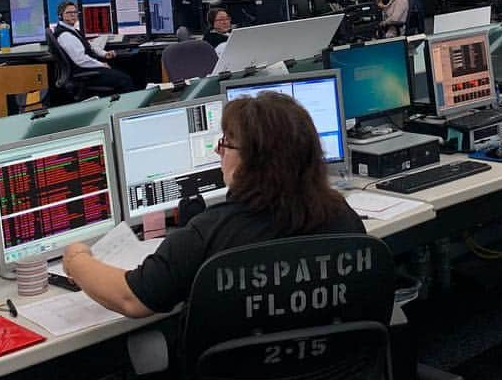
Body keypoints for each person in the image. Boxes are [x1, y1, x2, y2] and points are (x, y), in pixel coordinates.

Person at [62, 92, 365, 317]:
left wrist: (77, 260)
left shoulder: (209, 234)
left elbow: (130, 298)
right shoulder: (341, 215)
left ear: (254, 161)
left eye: (227, 145)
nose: (220, 152)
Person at [53, 0, 134, 92]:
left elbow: (88, 45)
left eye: (75, 12)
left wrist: (104, 54)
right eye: (69, 13)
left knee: (123, 70)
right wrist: (101, 64)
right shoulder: (66, 35)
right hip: (85, 73)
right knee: (125, 80)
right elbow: (81, 60)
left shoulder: (71, 30)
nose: (73, 15)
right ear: (60, 15)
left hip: (86, 69)